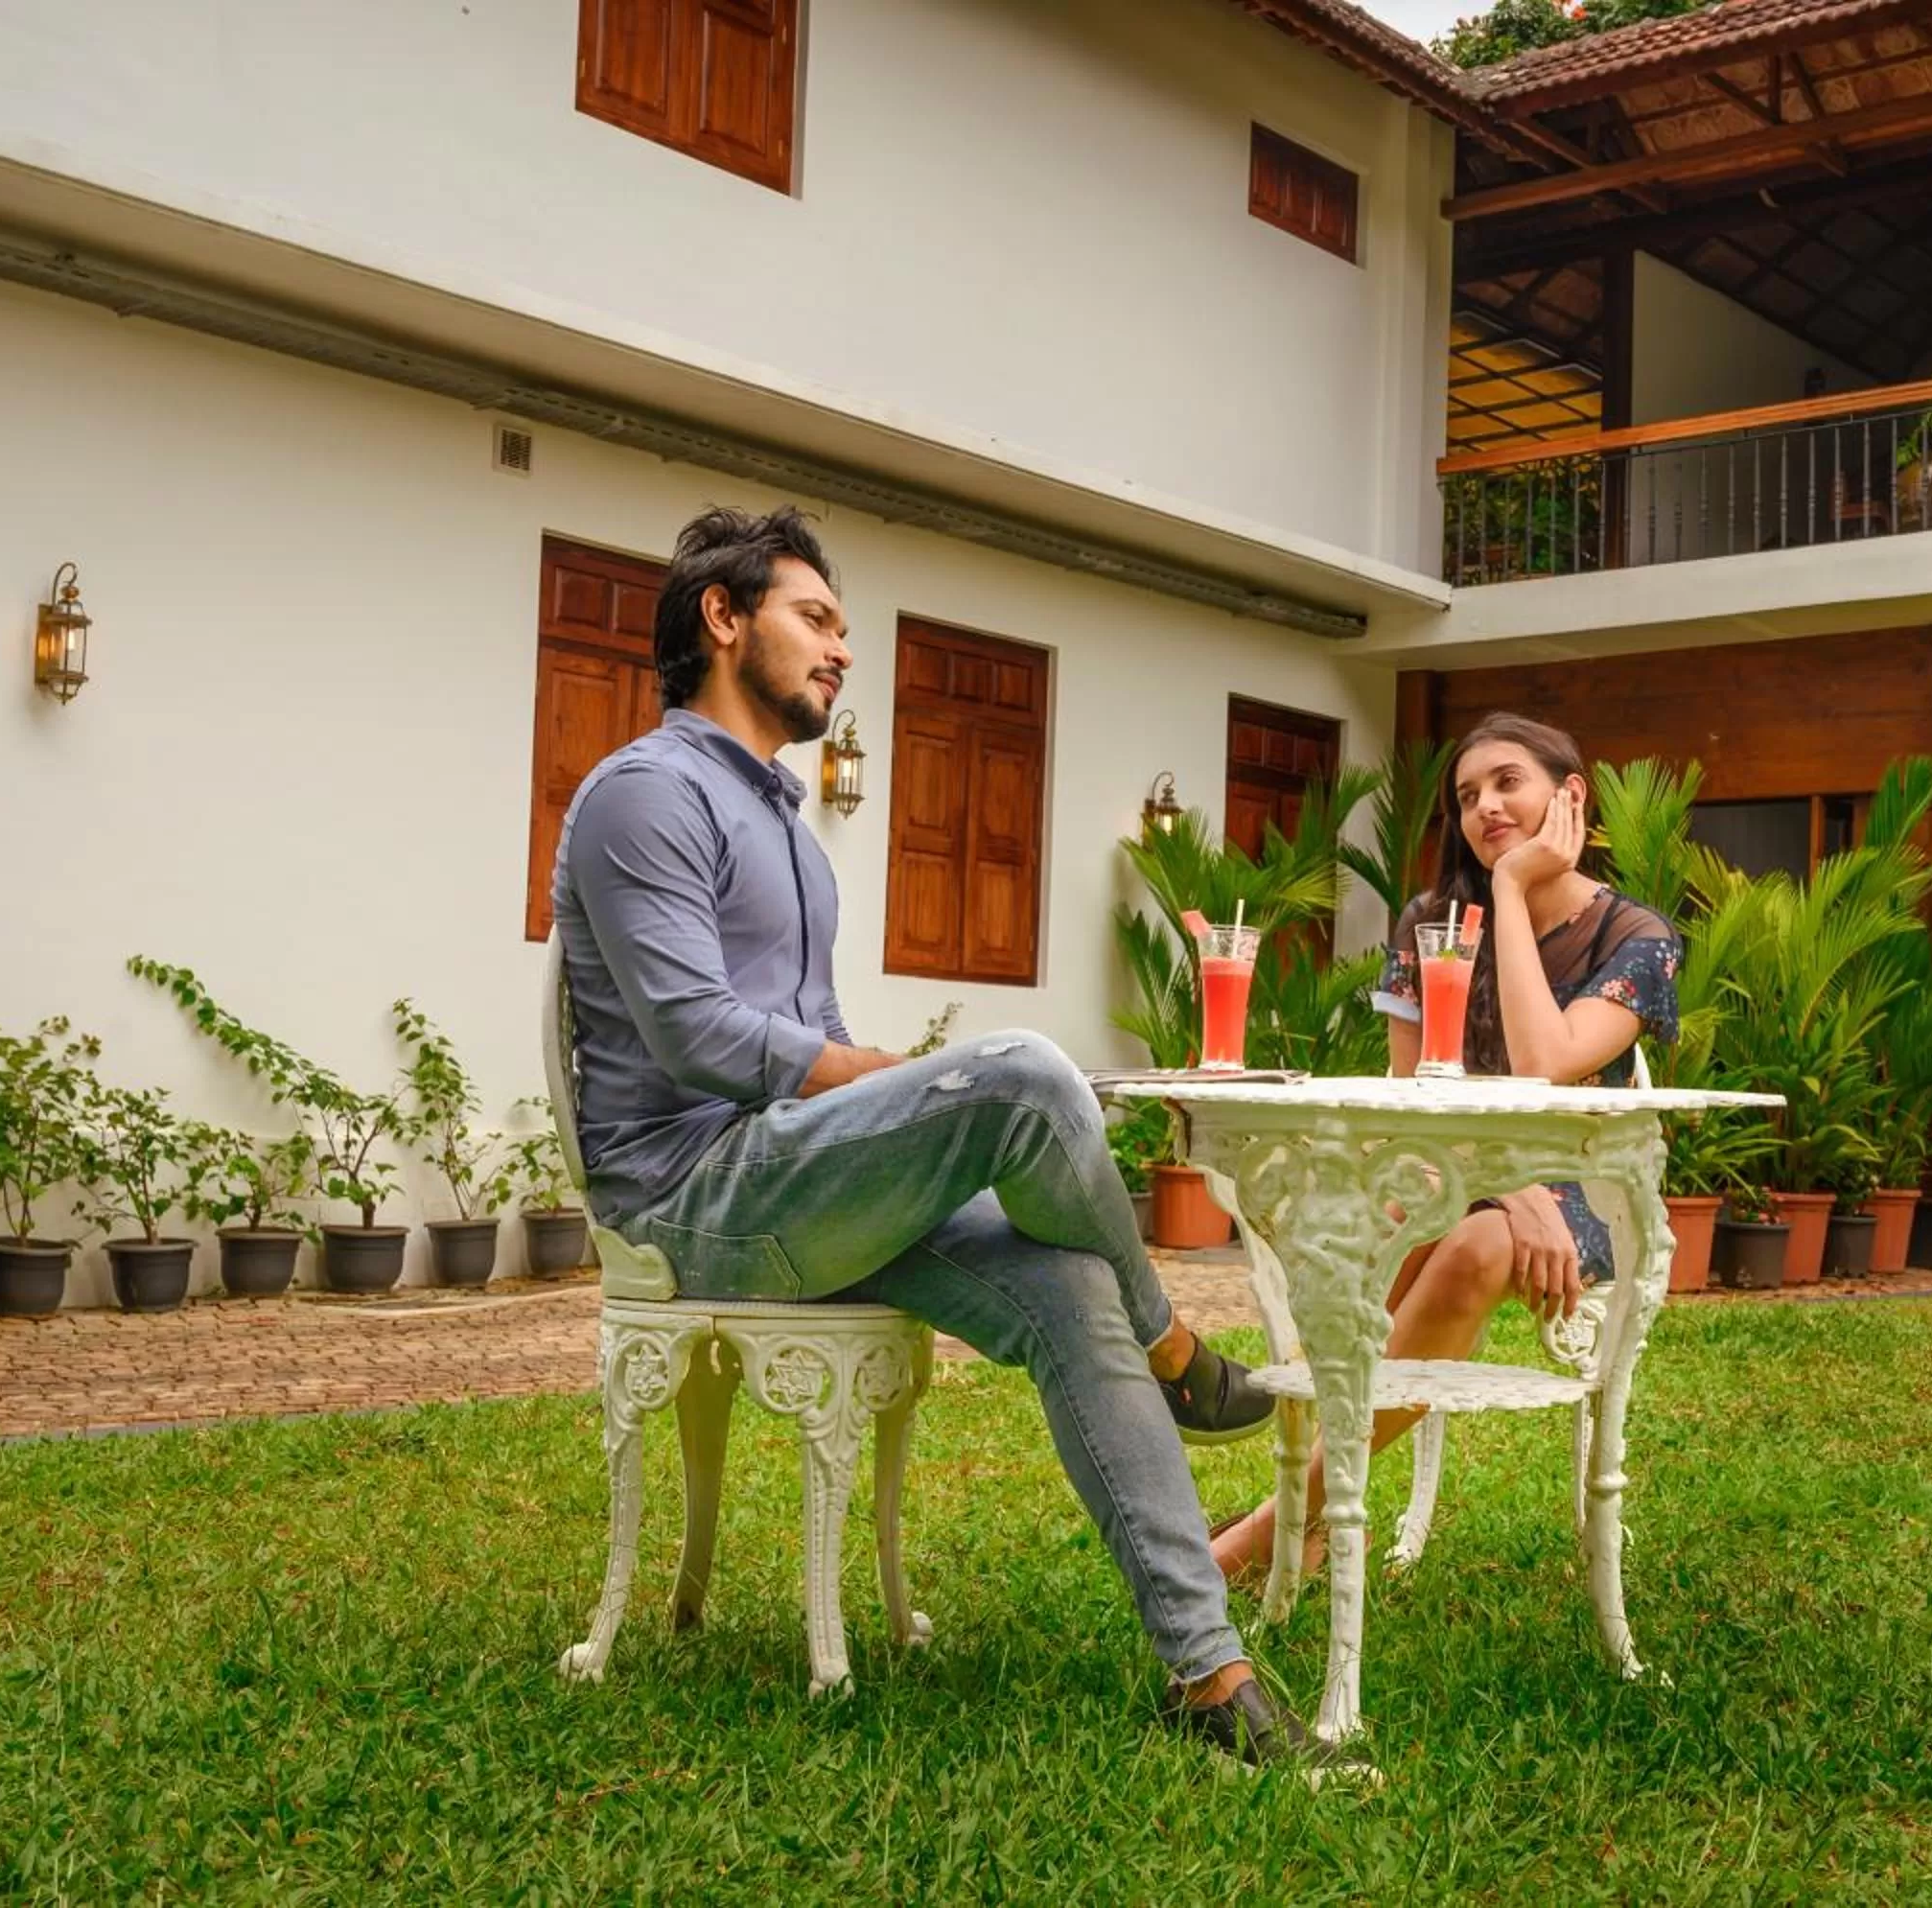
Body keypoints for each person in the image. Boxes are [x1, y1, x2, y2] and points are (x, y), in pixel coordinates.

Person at [553, 504, 1373, 1783]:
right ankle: (1178, 1348)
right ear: (724, 618)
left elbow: (800, 1041)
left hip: (791, 1175)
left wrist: (872, 1112)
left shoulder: (789, 830)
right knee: (1024, 1072)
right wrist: (885, 1082)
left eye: (841, 627)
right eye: (815, 619)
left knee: (1072, 1289)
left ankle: (1210, 1679)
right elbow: (695, 1033)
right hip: (692, 1197)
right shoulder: (643, 795)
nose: (841, 650)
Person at [1209, 712, 1679, 1585]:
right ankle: (1307, 1499)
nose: (1486, 808)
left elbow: (1545, 1066)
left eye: (1508, 782)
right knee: (1383, 1215)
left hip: (1583, 1185)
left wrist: (1508, 891)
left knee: (1468, 1244)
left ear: (1569, 794)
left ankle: (1283, 1521)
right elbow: (1409, 1100)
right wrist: (1499, 1184)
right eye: (1467, 796)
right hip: (1447, 1164)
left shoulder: (1636, 940)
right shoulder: (1431, 921)